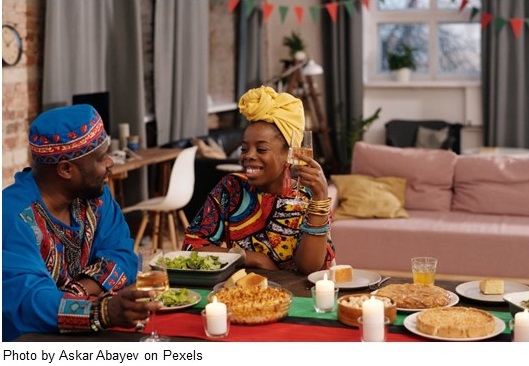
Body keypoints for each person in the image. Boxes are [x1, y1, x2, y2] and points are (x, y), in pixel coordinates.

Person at [2, 104, 159, 341]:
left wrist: (79, 290)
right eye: (100, 157)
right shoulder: (12, 216)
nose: (110, 163)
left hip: (84, 335)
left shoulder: (95, 198)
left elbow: (123, 256)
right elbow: (29, 302)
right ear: (66, 169)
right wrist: (102, 311)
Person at [184, 85, 335, 274]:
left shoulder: (308, 196)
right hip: (245, 295)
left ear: (289, 154)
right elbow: (192, 248)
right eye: (244, 149)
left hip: (299, 297)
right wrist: (251, 258)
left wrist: (320, 201)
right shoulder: (232, 188)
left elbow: (309, 269)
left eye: (261, 149)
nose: (248, 156)